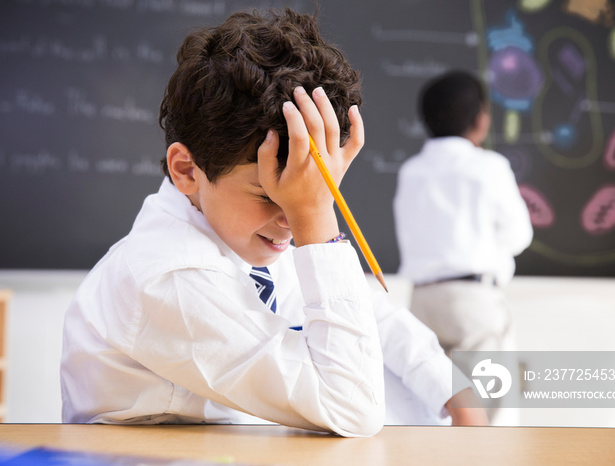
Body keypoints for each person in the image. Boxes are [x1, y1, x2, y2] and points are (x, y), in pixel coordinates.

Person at [61, 10, 487, 437]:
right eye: (269, 194)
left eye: (316, 192)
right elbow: (352, 409)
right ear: (187, 170)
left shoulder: (240, 234)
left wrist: (452, 389)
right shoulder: (169, 276)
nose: (291, 221)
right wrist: (315, 216)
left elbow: (369, 311)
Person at [393, 70, 533, 362]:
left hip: (421, 300)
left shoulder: (411, 171)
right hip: (472, 299)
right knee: (488, 398)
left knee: (431, 400)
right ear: (480, 119)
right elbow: (518, 234)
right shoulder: (489, 166)